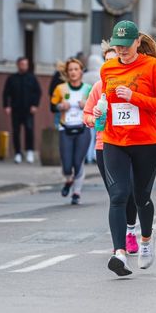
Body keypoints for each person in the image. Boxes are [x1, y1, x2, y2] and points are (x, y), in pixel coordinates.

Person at [96, 21, 156, 276]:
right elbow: (106, 100)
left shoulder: (152, 66)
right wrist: (100, 112)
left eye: (127, 45)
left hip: (146, 142)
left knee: (141, 197)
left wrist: (134, 97)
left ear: (138, 42)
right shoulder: (107, 68)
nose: (122, 50)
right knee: (118, 196)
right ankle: (119, 253)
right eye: (118, 46)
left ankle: (147, 240)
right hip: (114, 140)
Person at [84, 44, 140, 254]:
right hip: (105, 145)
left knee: (131, 191)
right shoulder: (98, 87)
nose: (110, 64)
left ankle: (131, 231)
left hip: (132, 144)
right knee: (117, 194)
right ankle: (119, 243)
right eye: (106, 61)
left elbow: (150, 111)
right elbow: (86, 115)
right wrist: (94, 118)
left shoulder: (132, 84)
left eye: (113, 60)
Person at [50, 58, 92, 205]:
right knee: (67, 165)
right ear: (67, 73)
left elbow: (97, 106)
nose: (73, 72)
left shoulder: (88, 88)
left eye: (76, 69)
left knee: (78, 162)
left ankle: (76, 193)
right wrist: (60, 106)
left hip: (83, 128)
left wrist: (87, 105)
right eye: (70, 70)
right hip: (65, 128)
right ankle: (69, 180)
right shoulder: (60, 88)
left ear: (81, 72)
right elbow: (52, 106)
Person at [2, 57, 41, 164]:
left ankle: (29, 151)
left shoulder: (32, 78)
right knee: (16, 131)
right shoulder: (12, 78)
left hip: (28, 109)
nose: (24, 66)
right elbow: (6, 93)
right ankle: (18, 153)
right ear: (18, 65)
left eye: (25, 64)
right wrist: (6, 106)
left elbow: (38, 92)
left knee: (29, 130)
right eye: (22, 64)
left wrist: (35, 105)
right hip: (16, 109)